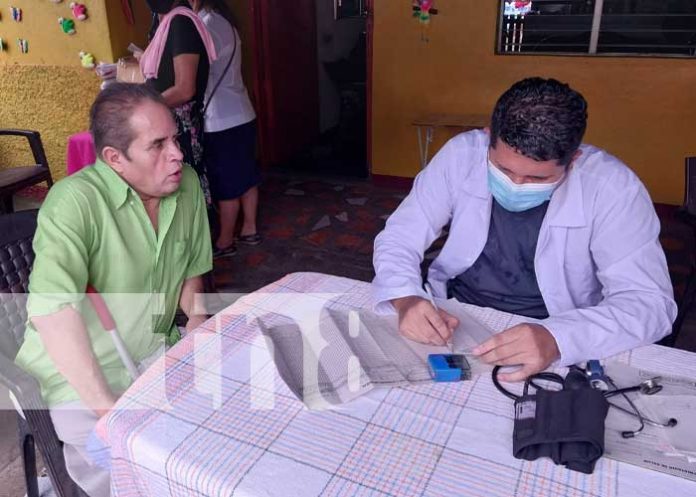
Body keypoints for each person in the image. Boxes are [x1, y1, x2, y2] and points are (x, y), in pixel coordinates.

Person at [372, 77, 676, 382]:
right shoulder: (461, 155)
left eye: (537, 179)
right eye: (503, 170)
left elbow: (650, 304)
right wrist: (405, 297)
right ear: (488, 136)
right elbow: (400, 235)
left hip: (556, 325)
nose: (516, 185)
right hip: (455, 314)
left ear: (574, 159)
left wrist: (558, 338)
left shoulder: (613, 188)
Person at [14, 83, 212, 497]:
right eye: (157, 145)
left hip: (157, 349)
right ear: (114, 159)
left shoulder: (186, 185)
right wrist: (108, 410)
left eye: (175, 138)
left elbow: (191, 268)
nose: (177, 154)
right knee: (123, 472)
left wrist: (197, 320)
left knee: (205, 446)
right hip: (82, 373)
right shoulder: (74, 203)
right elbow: (54, 315)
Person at [190, 0, 261, 257]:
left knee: (226, 183)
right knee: (246, 173)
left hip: (220, 119)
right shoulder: (226, 22)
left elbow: (195, 74)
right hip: (242, 112)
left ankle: (224, 240)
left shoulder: (204, 26)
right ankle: (249, 228)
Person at [142, 0, 216, 200]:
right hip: (169, 124)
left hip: (180, 130)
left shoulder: (181, 23)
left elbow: (185, 89)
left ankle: (198, 230)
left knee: (185, 190)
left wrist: (142, 107)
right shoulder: (165, 22)